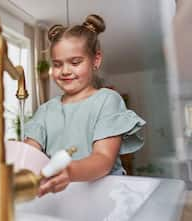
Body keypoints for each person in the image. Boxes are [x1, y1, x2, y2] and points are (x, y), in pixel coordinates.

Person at [24, 14, 146, 196]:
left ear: (95, 60)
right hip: (61, 198)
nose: (65, 71)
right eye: (57, 64)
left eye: (75, 62)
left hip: (105, 197)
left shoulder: (107, 100)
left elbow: (103, 159)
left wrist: (69, 172)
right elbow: (29, 155)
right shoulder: (45, 110)